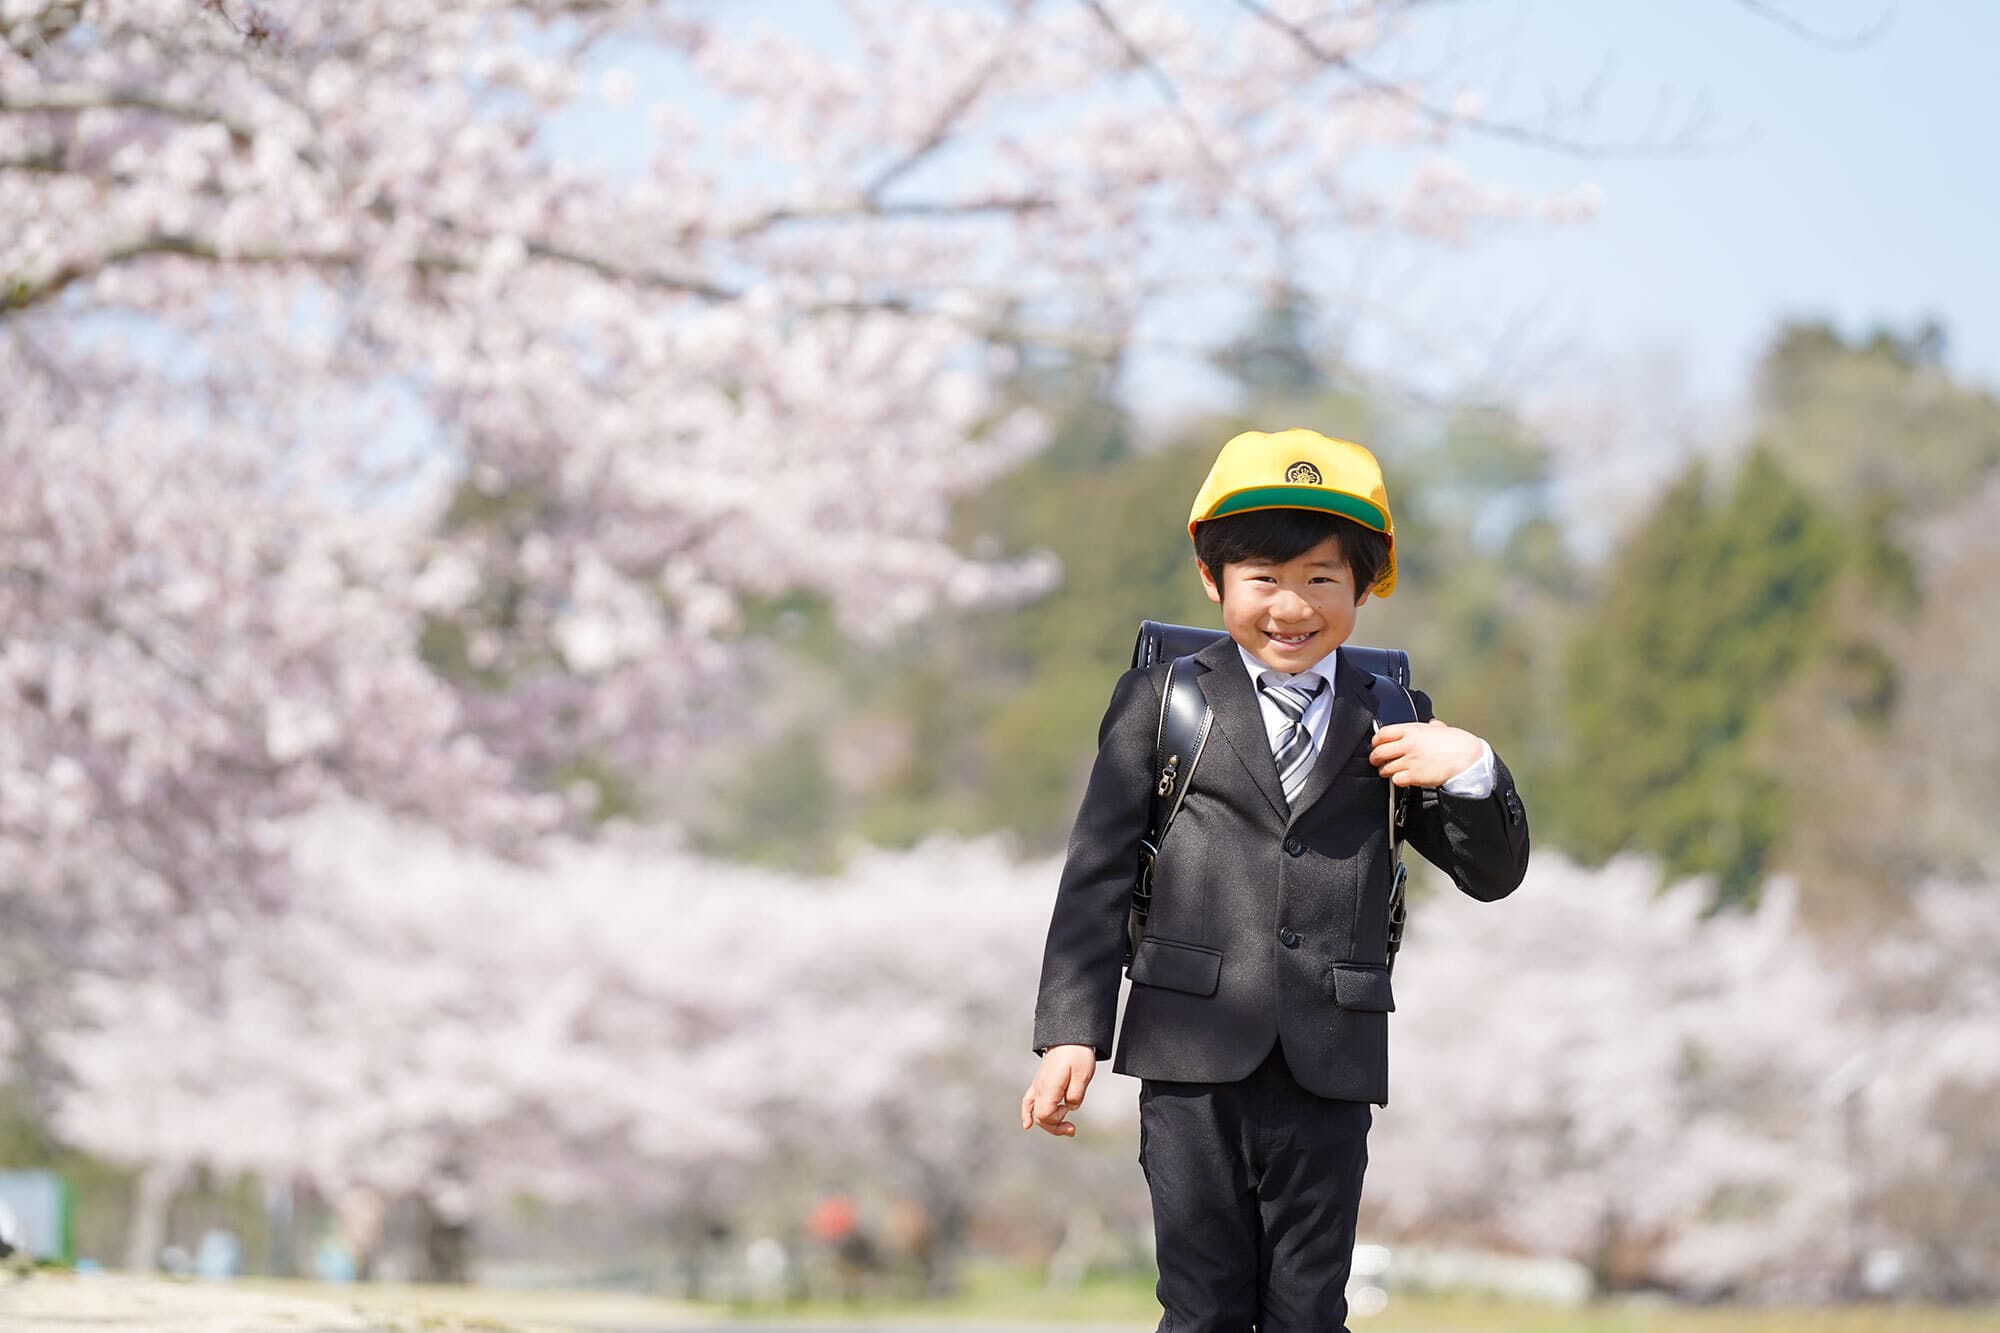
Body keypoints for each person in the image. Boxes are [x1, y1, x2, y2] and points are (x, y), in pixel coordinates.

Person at [1021, 428, 1530, 1332]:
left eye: (1323, 578)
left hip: (1329, 1056)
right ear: (1214, 581)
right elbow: (1095, 873)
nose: (1291, 605)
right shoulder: (1165, 700)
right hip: (1188, 1052)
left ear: (1366, 585)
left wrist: (1473, 766)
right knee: (1201, 1303)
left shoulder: (1396, 713)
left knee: (1308, 1310)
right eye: (1262, 578)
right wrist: (1071, 1031)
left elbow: (1490, 875)